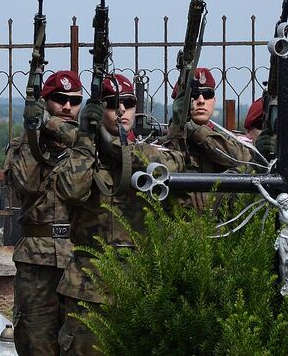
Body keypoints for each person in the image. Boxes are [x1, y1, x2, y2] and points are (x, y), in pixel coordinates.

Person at [56, 73, 185, 355]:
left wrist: (116, 148)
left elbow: (175, 165)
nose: (122, 109)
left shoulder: (150, 150)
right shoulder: (81, 154)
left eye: (128, 102)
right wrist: (87, 139)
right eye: (113, 104)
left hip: (142, 285)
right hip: (89, 288)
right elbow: (71, 190)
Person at [5, 70, 82, 356]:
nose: (67, 106)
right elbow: (25, 183)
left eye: (74, 101)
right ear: (45, 102)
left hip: (79, 258)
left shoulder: (87, 148)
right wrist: (33, 130)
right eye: (59, 99)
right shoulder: (23, 145)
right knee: (35, 343)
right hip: (37, 262)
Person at [163, 68, 260, 212]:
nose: (201, 101)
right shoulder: (165, 142)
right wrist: (179, 126)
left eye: (207, 94)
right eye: (194, 95)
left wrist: (197, 131)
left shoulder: (230, 140)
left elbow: (247, 160)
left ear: (214, 100)